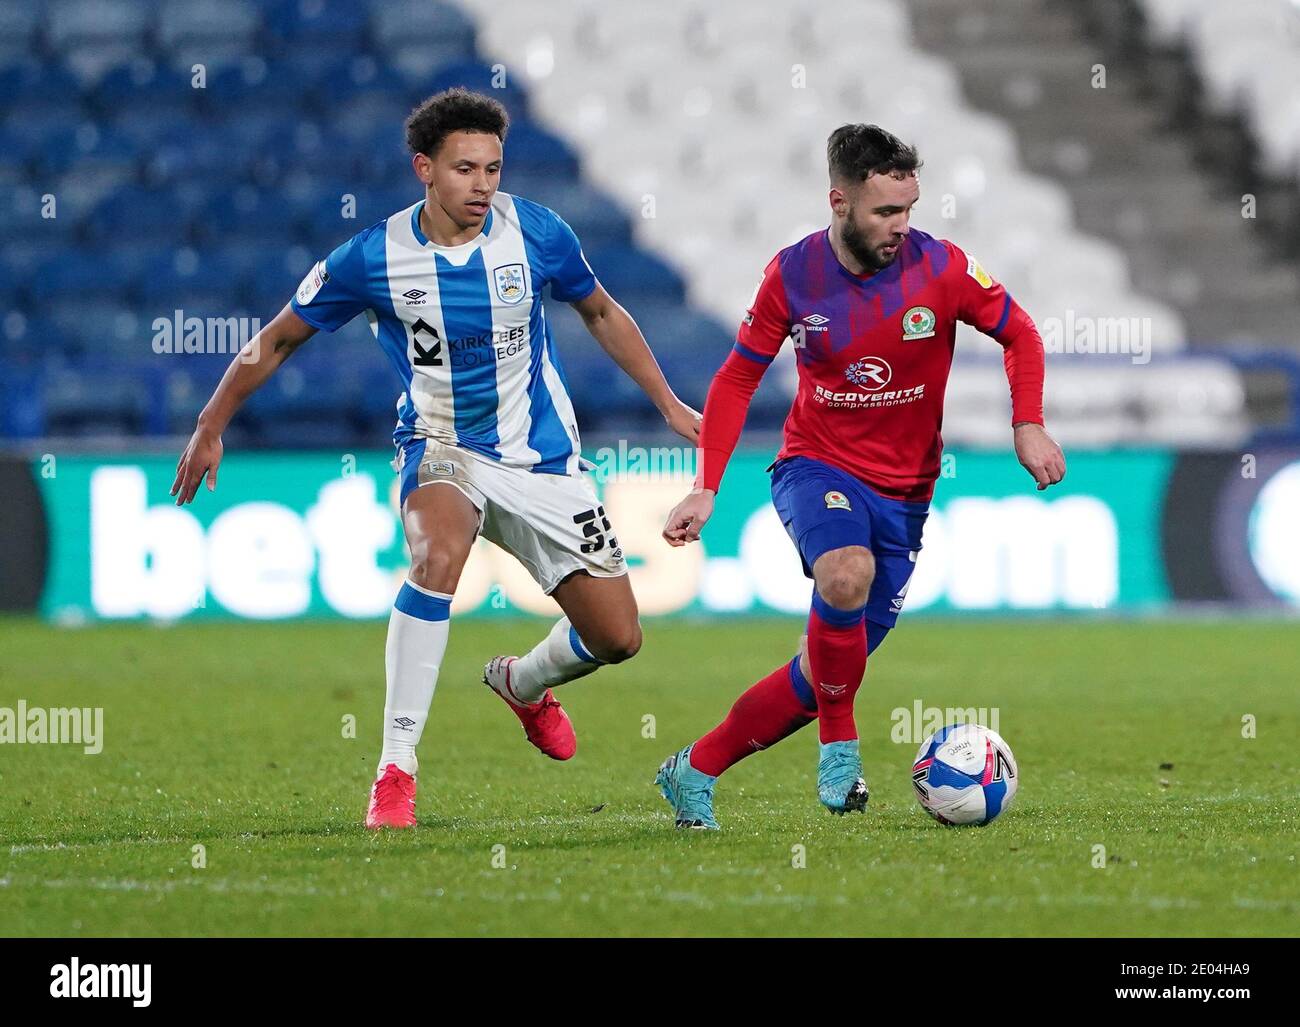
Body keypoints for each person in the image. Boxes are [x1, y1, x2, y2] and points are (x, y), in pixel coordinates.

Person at [171, 88, 701, 829]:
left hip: (544, 458)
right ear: (425, 168)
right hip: (441, 446)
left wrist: (672, 406)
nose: (482, 184)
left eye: (491, 167)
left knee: (618, 637)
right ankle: (396, 768)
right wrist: (210, 421)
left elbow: (603, 313)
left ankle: (521, 682)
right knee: (438, 555)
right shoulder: (372, 257)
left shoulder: (537, 233)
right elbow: (281, 335)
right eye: (464, 168)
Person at [656, 123, 1065, 829]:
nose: (900, 226)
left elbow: (1020, 331)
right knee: (844, 574)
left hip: (906, 497)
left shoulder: (942, 267)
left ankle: (692, 769)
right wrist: (707, 483)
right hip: (815, 466)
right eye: (884, 212)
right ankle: (840, 748)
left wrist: (1025, 420)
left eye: (908, 209)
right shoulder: (793, 274)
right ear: (839, 201)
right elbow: (736, 378)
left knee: (820, 675)